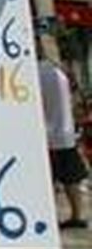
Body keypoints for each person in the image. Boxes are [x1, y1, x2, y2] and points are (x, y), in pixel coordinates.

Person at [38, 49, 87, 230]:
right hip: (66, 133)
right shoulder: (61, 72)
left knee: (47, 178)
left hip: (47, 134)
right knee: (71, 179)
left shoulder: (37, 72)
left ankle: (48, 217)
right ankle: (77, 216)